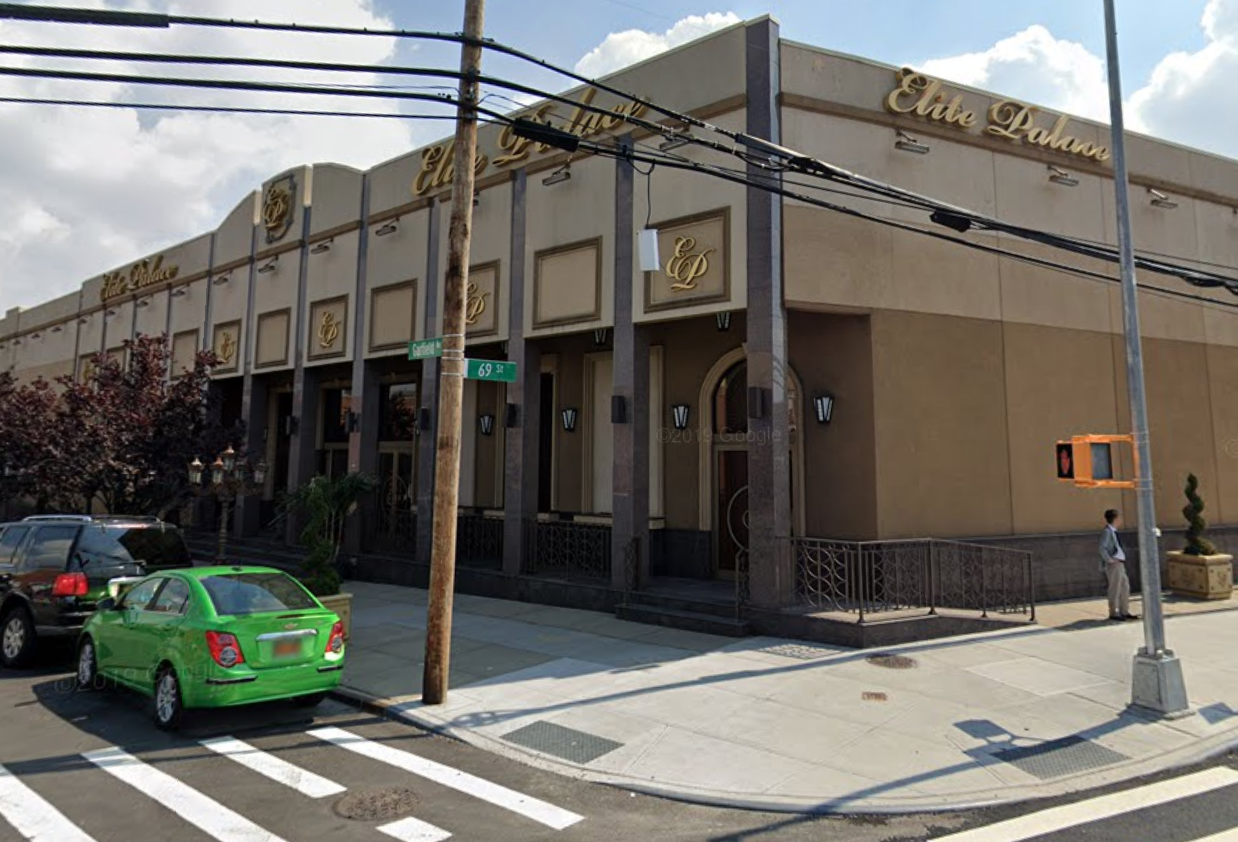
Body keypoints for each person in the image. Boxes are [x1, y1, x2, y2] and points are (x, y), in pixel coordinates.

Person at [1100, 509, 1138, 622]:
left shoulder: (1114, 531)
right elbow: (1101, 548)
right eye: (1119, 517)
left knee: (1125, 587)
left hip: (1120, 563)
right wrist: (1109, 560)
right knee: (1115, 588)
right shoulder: (1107, 531)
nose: (1121, 520)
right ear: (1115, 519)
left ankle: (1124, 611)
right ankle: (1114, 612)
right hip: (1114, 565)